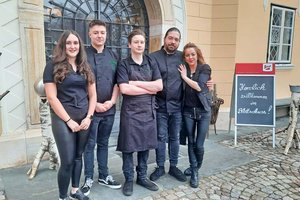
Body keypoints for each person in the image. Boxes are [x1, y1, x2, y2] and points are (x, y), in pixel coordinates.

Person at [149, 27, 214, 182]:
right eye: (170, 38)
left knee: (174, 138)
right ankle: (159, 167)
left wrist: (208, 82)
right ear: (165, 38)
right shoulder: (153, 57)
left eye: (176, 39)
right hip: (160, 106)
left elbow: (197, 69)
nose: (173, 42)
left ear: (179, 41)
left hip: (178, 107)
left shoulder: (182, 57)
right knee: (160, 137)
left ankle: (173, 166)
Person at [43, 30, 96, 200]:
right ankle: (62, 196)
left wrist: (88, 117)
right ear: (63, 45)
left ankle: (75, 190)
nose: (72, 46)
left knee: (78, 156)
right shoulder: (52, 66)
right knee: (67, 160)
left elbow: (93, 95)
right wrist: (68, 120)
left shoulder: (85, 66)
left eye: (75, 43)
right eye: (69, 43)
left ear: (80, 46)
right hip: (62, 119)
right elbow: (51, 97)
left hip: (83, 119)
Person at [116, 29, 163, 196]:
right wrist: (148, 87)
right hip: (130, 112)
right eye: (136, 42)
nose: (139, 45)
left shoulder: (151, 62)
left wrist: (135, 82)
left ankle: (142, 177)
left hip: (148, 111)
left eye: (142, 42)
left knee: (145, 146)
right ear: (129, 44)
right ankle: (129, 178)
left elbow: (159, 86)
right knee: (128, 148)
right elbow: (125, 89)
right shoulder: (123, 64)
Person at [81, 20, 121, 196]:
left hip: (109, 108)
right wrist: (93, 104)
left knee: (104, 144)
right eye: (95, 32)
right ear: (89, 34)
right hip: (90, 110)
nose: (99, 35)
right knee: (89, 145)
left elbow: (118, 81)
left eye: (102, 32)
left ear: (106, 34)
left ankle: (104, 175)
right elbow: (79, 83)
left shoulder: (113, 55)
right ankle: (88, 178)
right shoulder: (82, 55)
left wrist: (112, 101)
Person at [178, 42, 212, 188]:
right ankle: (194, 172)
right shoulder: (182, 68)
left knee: (199, 145)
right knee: (191, 142)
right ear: (184, 58)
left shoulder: (205, 68)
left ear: (197, 55)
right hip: (188, 111)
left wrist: (185, 77)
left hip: (203, 111)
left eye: (193, 54)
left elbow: (199, 86)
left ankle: (196, 167)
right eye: (187, 55)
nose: (190, 57)